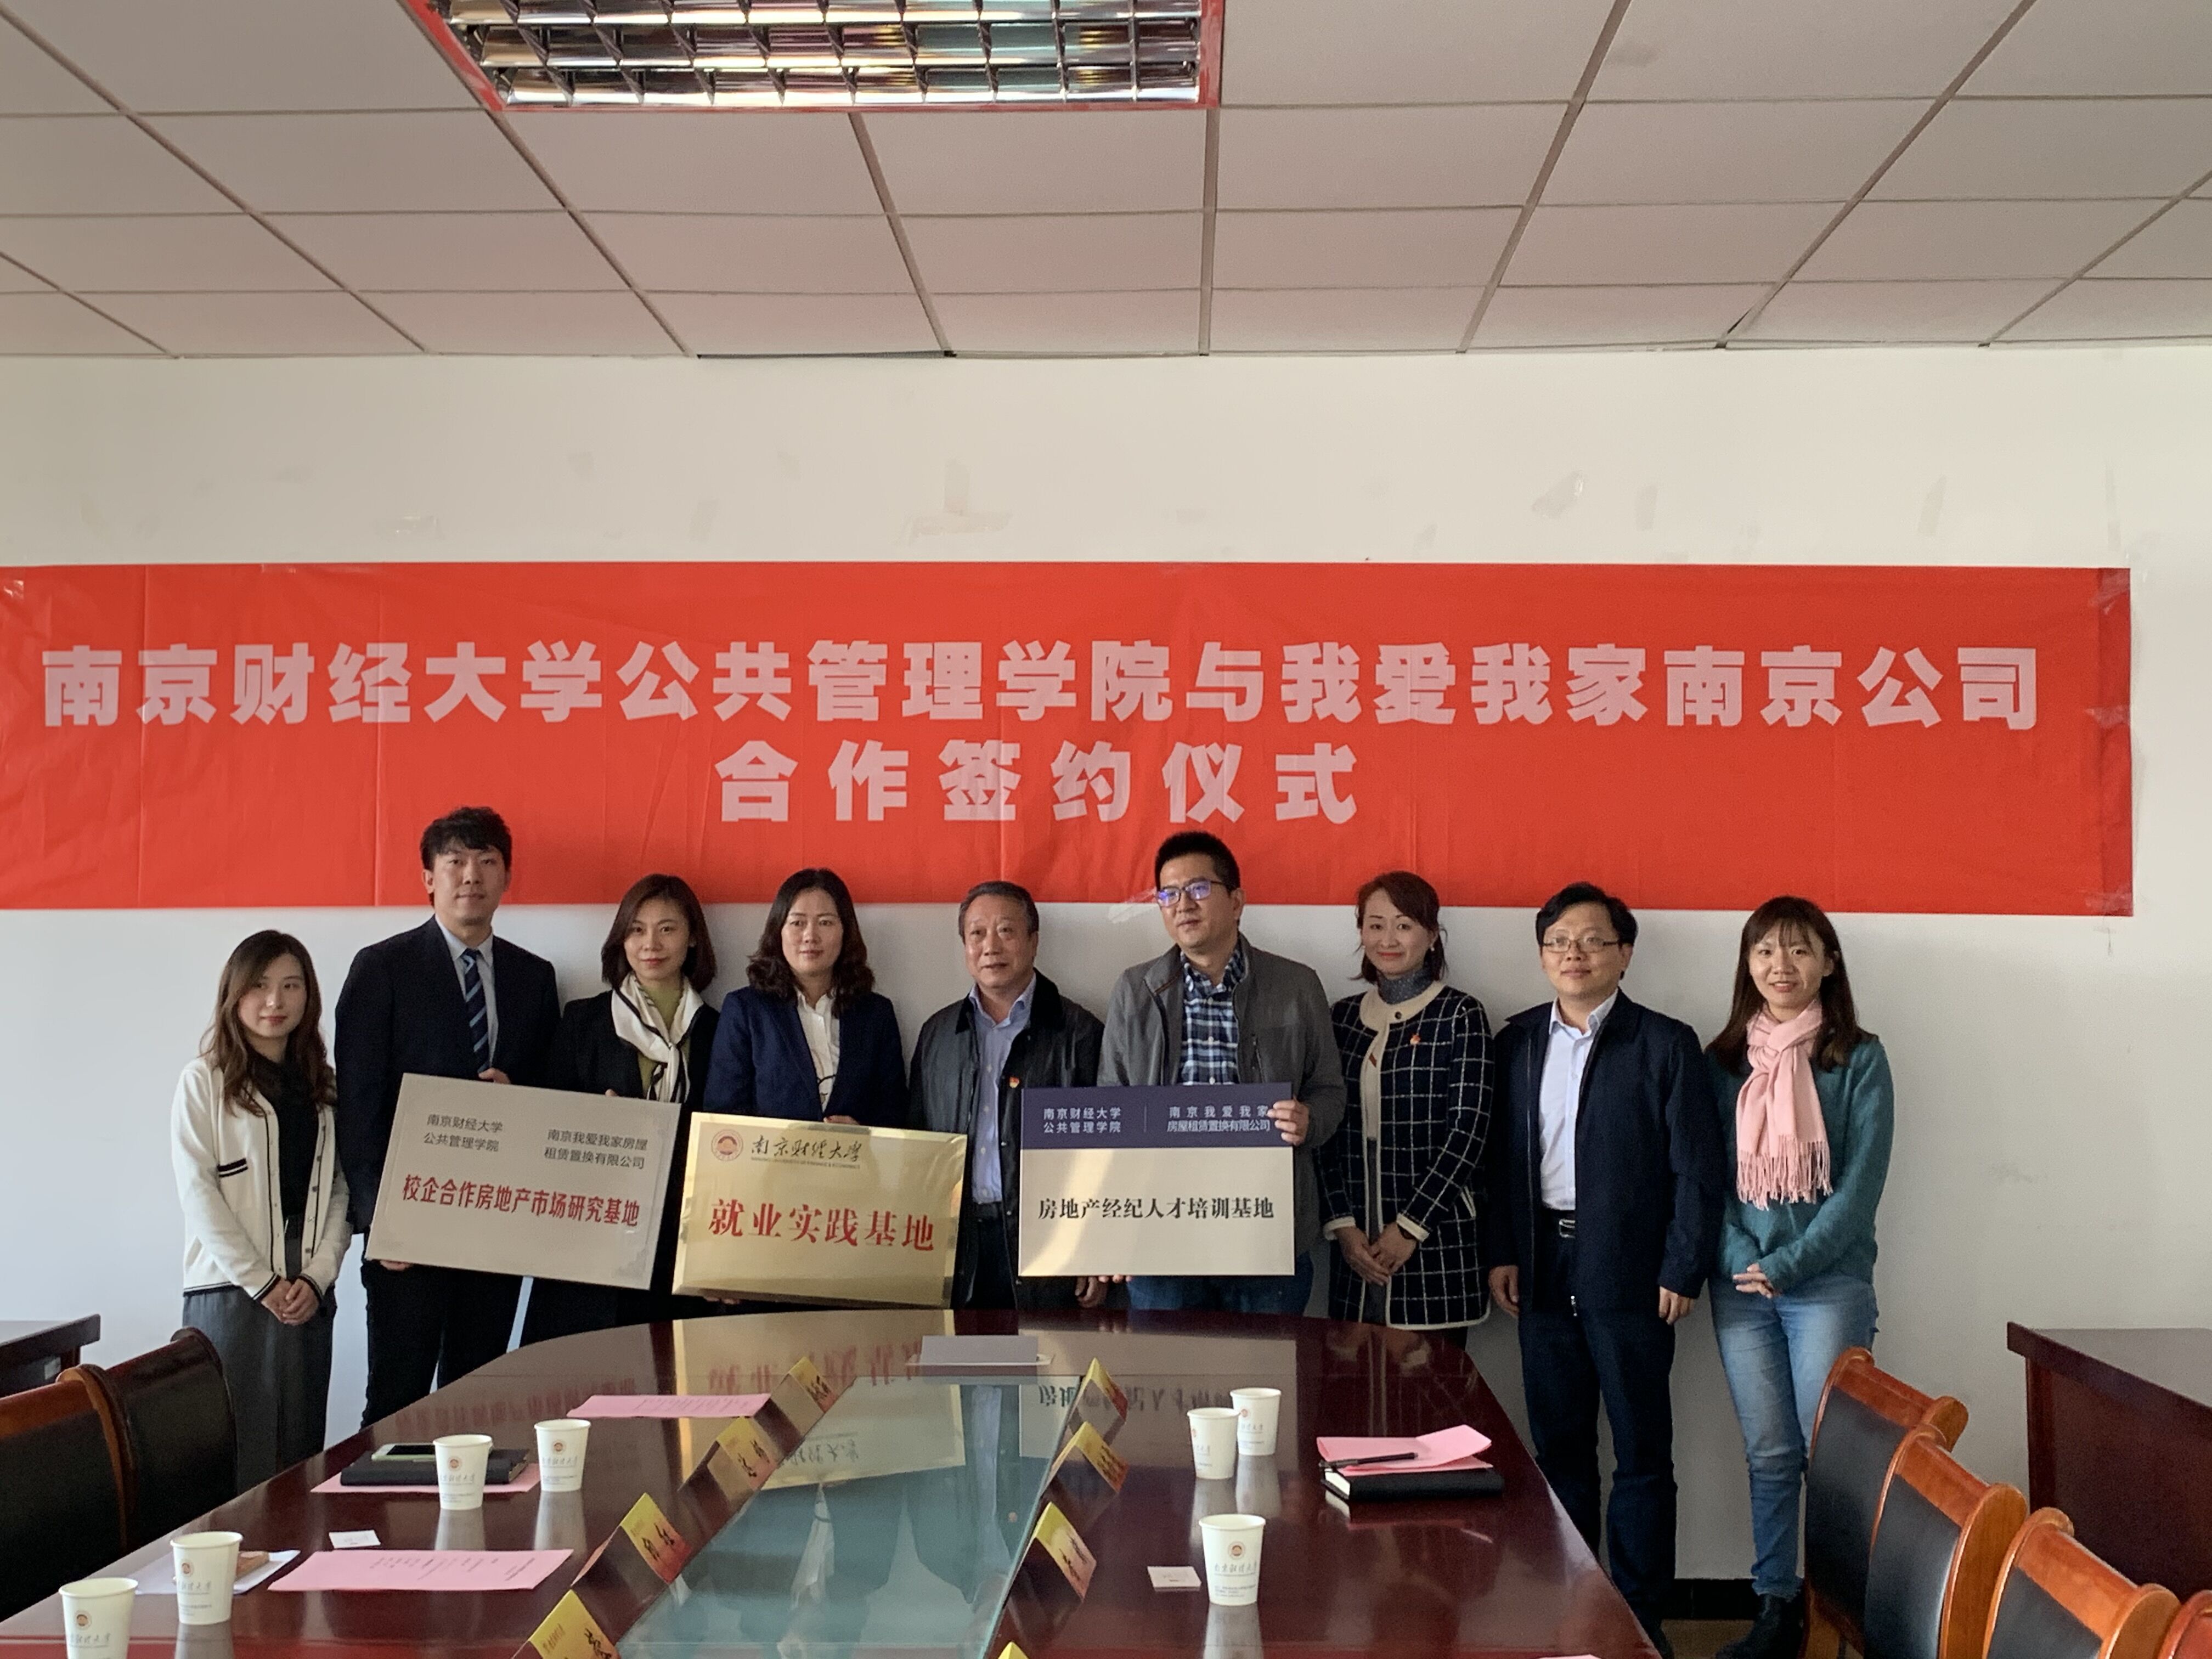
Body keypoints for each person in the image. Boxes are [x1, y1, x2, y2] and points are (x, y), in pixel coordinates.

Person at [1485, 882, 1725, 1657]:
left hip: (1632, 1268)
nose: (1575, 954)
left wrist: (1682, 1267)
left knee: (1642, 1454)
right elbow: (1499, 1162)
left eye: (1592, 940)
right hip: (1542, 1264)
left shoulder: (1665, 1043)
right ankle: (1570, 1611)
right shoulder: (1518, 1041)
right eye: (1559, 942)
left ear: (1624, 953)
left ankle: (1640, 1621)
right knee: (1558, 1452)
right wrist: (1503, 1251)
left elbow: (1697, 1168)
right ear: (1542, 956)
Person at [1706, 898, 1895, 1659]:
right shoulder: (1724, 1061)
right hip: (1741, 1289)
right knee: (1771, 1455)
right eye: (1764, 952)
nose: (1780, 966)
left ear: (1829, 962)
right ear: (1747, 965)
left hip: (1827, 1286)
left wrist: (1787, 1264)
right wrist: (1737, 1256)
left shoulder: (1859, 1058)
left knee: (1836, 1462)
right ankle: (1777, 1610)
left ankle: (1839, 1616)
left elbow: (1860, 1187)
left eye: (1798, 950)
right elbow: (1707, 1176)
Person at [335, 806, 560, 1425]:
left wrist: (518, 1096)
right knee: (398, 1402)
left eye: (487, 862)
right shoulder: (382, 968)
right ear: (428, 878)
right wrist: (381, 1219)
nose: (471, 876)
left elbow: (551, 1099)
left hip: (494, 1227)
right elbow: (358, 1103)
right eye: (455, 862)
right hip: (409, 1228)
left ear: (506, 877)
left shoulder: (534, 978)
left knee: (476, 1402)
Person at [1099, 830, 1346, 1314]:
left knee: (1266, 1366)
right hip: (1162, 1232)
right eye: (1168, 894)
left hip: (1265, 1231)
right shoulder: (1135, 990)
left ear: (1236, 901)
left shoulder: (1295, 985)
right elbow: (1111, 1105)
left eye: (1198, 888)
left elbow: (1330, 1090)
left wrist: (1310, 1119)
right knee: (1164, 1363)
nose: (1182, 905)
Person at [172, 931, 352, 1488]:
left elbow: (341, 1190)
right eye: (260, 986)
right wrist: (262, 1282)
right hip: (230, 1291)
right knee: (231, 1460)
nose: (275, 1001)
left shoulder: (323, 1087)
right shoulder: (204, 1081)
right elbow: (199, 1194)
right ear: (235, 994)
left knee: (299, 1458)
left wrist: (318, 1277)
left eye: (291, 986)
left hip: (307, 1293)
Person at [521, 873, 725, 1344]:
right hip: (591, 1245)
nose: (651, 944)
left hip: (678, 1246)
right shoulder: (583, 1021)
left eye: (667, 929)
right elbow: (548, 1131)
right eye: (636, 929)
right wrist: (600, 1122)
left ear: (693, 938)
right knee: (583, 1378)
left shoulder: (719, 1029)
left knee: (669, 1376)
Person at [907, 880, 1108, 1312]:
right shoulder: (938, 1034)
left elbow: (1104, 1154)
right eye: (977, 934)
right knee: (958, 1354)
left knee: (1045, 1353)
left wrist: (1095, 1246)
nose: (991, 947)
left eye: (1006, 931)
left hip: (1049, 1244)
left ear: (1033, 941)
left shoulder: (1080, 1033)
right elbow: (919, 1144)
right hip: (958, 1246)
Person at [1318, 871, 1493, 1336]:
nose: (1388, 939)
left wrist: (1410, 1228)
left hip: (1436, 1241)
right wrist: (1343, 1227)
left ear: (1432, 935)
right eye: (1375, 925)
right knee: (1353, 1375)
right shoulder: (1340, 1018)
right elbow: (1324, 1127)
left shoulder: (1461, 1015)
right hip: (1355, 1244)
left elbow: (1467, 1135)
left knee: (1432, 1379)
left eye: (1404, 925)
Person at [702, 867, 905, 1126]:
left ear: (846, 931)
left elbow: (896, 1113)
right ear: (778, 930)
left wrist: (863, 1134)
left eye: (825, 923)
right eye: (798, 923)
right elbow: (723, 1116)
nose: (810, 936)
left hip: (857, 1154)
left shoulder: (876, 1014)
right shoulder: (745, 1010)